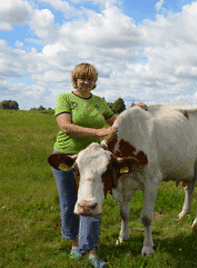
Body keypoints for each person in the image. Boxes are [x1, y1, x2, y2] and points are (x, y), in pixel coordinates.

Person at [51, 62, 146, 268]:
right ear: (75, 80)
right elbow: (65, 126)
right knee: (69, 203)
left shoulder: (99, 102)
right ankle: (75, 245)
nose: (86, 82)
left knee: (91, 201)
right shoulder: (65, 98)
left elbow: (115, 122)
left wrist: (132, 111)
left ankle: (92, 252)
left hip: (93, 160)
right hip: (68, 155)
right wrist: (98, 133)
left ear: (95, 83)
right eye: (82, 78)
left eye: (90, 79)